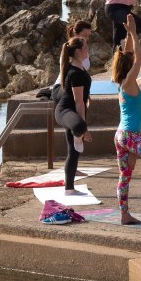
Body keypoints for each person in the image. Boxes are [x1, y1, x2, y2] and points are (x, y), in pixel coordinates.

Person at [111, 15, 141, 225]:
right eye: (130, 63)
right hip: (129, 135)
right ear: (128, 66)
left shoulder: (121, 81)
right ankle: (125, 213)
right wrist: (134, 33)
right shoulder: (129, 81)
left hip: (123, 136)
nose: (133, 63)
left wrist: (129, 32)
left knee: (125, 175)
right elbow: (139, 56)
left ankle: (124, 214)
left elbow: (130, 54)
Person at [54, 36, 94, 194]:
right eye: (85, 48)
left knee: (74, 150)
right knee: (79, 127)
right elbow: (78, 102)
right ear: (77, 51)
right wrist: (84, 130)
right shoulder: (74, 72)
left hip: (73, 112)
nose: (87, 50)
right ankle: (79, 134)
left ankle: (69, 188)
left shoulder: (79, 67)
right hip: (65, 112)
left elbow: (83, 99)